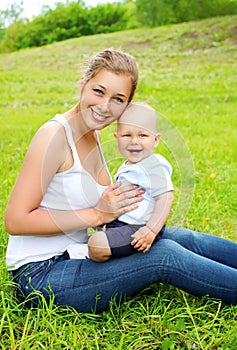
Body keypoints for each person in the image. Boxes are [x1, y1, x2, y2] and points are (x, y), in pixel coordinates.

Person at [4, 48, 237, 314]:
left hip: (75, 254)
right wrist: (96, 214)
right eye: (98, 91)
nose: (105, 107)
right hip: (41, 275)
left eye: (118, 99)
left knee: (179, 237)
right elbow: (16, 221)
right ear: (83, 84)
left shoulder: (95, 135)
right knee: (164, 256)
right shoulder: (53, 136)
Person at [88, 102, 174, 262]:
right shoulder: (130, 164)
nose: (134, 141)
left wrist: (150, 230)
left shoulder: (152, 164)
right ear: (117, 138)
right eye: (127, 135)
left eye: (143, 135)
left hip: (138, 228)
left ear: (156, 140)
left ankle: (127, 263)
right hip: (121, 223)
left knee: (96, 245)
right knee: (94, 234)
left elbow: (166, 198)